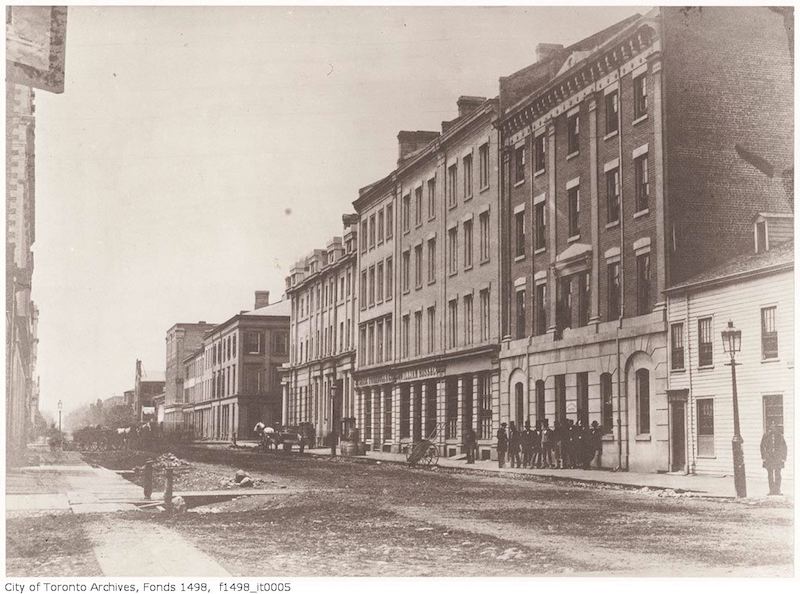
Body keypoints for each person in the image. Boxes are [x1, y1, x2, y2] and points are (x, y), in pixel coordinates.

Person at [760, 421, 787, 496]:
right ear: (769, 427)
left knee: (778, 474)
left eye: (774, 425)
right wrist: (764, 457)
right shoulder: (766, 436)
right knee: (770, 474)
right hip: (769, 458)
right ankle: (771, 491)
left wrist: (783, 457)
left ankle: (777, 490)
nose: (773, 427)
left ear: (776, 427)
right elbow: (762, 446)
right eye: (771, 425)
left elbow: (784, 447)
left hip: (778, 457)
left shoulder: (780, 436)